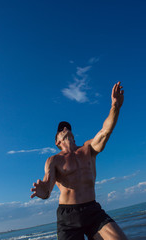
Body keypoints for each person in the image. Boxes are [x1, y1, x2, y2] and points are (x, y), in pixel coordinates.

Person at [30, 82, 128, 240]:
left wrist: (115, 107)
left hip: (93, 210)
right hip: (68, 217)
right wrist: (44, 192)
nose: (64, 129)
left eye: (67, 127)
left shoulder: (88, 149)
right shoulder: (53, 160)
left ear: (73, 134)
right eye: (60, 129)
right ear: (57, 142)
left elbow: (105, 132)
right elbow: (48, 186)